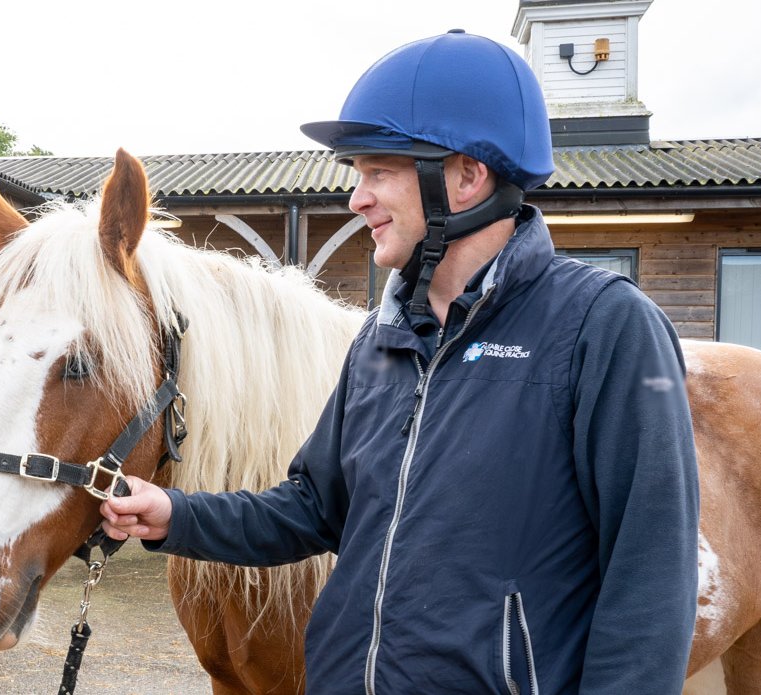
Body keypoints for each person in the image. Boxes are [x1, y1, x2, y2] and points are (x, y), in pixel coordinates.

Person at [101, 30, 698, 694]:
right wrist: (175, 514)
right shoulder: (382, 340)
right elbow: (310, 509)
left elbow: (649, 586)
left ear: (469, 175)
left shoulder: (603, 327)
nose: (357, 199)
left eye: (379, 171)